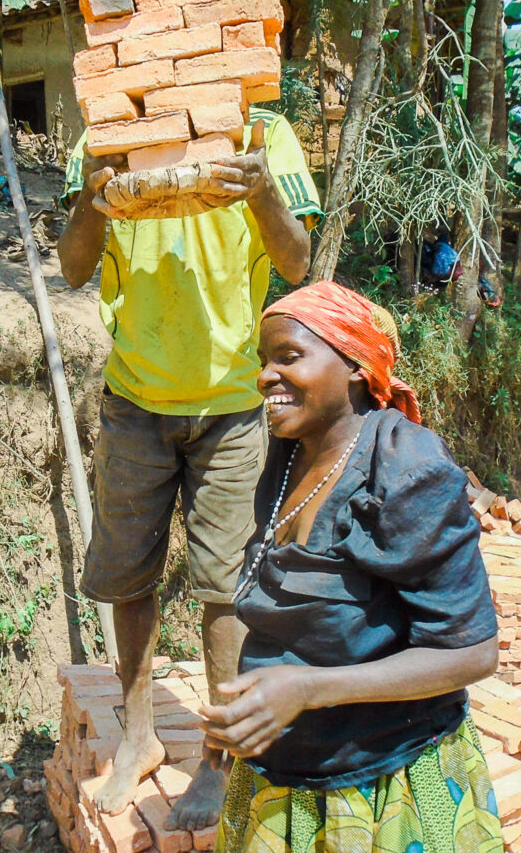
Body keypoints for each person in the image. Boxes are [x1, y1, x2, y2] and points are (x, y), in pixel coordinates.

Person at [57, 104, 322, 829]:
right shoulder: (106, 133)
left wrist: (261, 188)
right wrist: (90, 197)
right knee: (126, 572)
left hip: (232, 402)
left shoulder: (262, 133)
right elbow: (74, 266)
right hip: (135, 396)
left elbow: (297, 262)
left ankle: (220, 761)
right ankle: (139, 736)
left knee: (227, 587)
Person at [202, 281, 503, 853]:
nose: (266, 375)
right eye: (264, 360)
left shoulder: (407, 470)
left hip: (384, 784)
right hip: (284, 769)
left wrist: (309, 689)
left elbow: (474, 653)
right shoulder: (291, 451)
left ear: (357, 369)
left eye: (289, 357)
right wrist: (247, 714)